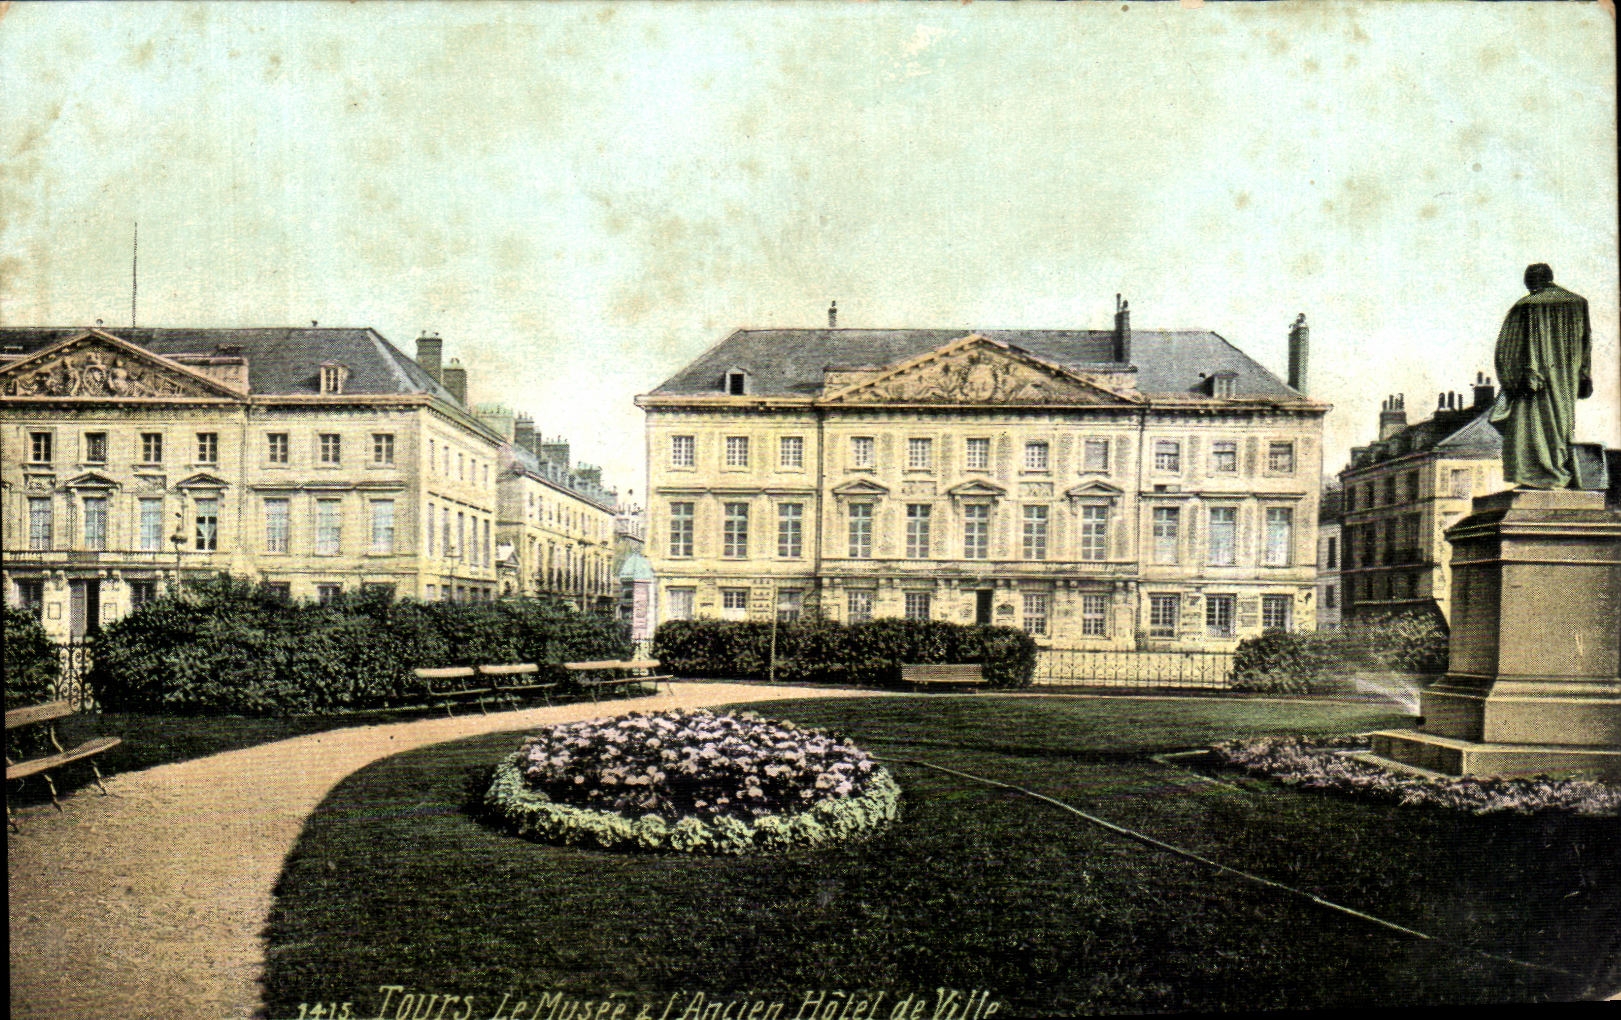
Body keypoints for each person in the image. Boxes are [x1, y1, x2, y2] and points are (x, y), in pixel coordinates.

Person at [1489, 263, 1593, 489]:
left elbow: (1506, 351)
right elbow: (1586, 345)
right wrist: (1584, 376)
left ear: (1531, 281)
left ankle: (1540, 477)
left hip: (1533, 383)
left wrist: (1513, 380)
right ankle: (1557, 471)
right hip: (1566, 381)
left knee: (1532, 429)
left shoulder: (1524, 306)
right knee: (1560, 426)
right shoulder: (1578, 303)